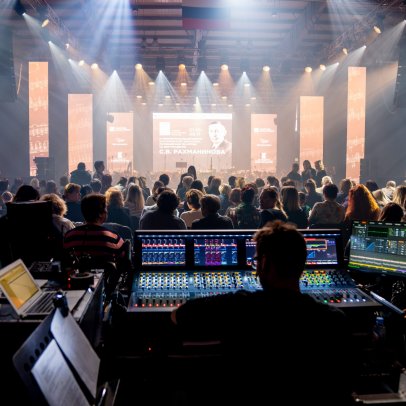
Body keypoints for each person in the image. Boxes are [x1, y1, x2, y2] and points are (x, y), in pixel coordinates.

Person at [171, 221, 353, 405]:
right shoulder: (335, 320)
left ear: (264, 263)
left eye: (257, 260)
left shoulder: (239, 306)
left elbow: (180, 315)